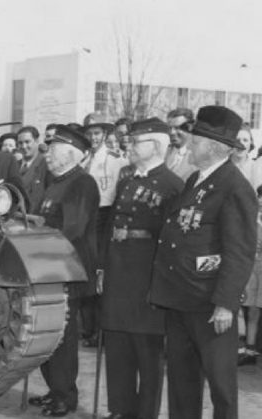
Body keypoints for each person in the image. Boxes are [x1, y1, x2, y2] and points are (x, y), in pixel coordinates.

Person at [150, 106, 257, 419]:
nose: (189, 146)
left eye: (194, 141)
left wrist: (225, 303)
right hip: (181, 296)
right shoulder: (196, 179)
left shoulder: (235, 187)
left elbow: (239, 251)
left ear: (213, 147)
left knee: (221, 384)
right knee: (182, 380)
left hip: (210, 303)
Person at [101, 117, 184, 419]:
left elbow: (171, 243)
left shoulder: (173, 186)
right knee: (118, 350)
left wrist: (160, 285)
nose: (130, 146)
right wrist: (103, 267)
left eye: (137, 142)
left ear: (157, 145)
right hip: (119, 276)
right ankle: (119, 410)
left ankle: (145, 413)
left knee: (148, 357)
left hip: (147, 281)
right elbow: (110, 226)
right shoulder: (127, 180)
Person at [28, 124, 99, 417]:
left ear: (71, 154)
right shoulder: (55, 181)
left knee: (63, 338)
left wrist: (38, 227)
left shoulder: (82, 183)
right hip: (48, 269)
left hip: (69, 270)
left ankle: (66, 396)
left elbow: (73, 228)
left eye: (54, 149)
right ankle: (54, 389)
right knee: (47, 333)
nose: (48, 154)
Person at [80, 112, 129, 347]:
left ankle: (103, 329)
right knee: (87, 272)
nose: (93, 137)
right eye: (89, 133)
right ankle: (89, 328)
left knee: (101, 274)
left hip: (104, 217)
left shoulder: (114, 160)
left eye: (97, 133)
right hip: (85, 219)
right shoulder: (82, 160)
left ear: (105, 134)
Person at [239, 185, 262, 366]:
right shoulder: (251, 219)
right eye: (259, 196)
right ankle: (249, 348)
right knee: (249, 308)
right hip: (250, 267)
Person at [17, 125, 48, 213]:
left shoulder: (45, 165)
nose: (23, 146)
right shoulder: (14, 165)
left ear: (37, 141)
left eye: (27, 142)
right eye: (20, 143)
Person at [165, 107, 198, 181]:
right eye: (170, 128)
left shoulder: (199, 155)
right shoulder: (164, 152)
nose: (172, 132)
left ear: (190, 127)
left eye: (177, 128)